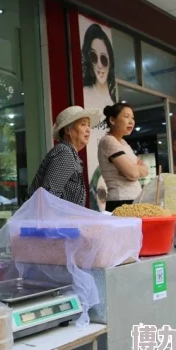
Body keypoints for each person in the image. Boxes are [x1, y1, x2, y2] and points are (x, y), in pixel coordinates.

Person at [28, 106, 102, 206]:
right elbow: (49, 196)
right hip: (58, 221)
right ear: (68, 130)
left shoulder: (70, 153)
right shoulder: (65, 152)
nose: (88, 129)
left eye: (88, 125)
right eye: (83, 124)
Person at [81, 23, 117, 212]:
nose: (99, 66)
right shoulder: (85, 94)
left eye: (104, 59)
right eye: (94, 57)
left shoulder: (112, 102)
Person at [98, 103, 149, 212]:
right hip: (120, 200)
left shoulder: (123, 142)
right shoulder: (108, 140)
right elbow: (133, 173)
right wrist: (135, 169)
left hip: (134, 199)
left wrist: (135, 169)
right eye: (126, 117)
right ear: (112, 120)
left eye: (132, 118)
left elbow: (145, 170)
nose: (131, 121)